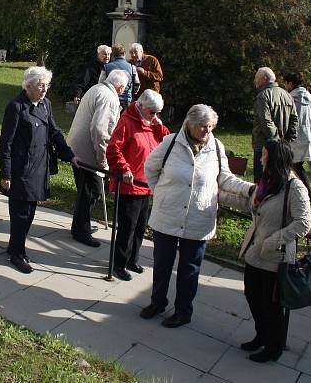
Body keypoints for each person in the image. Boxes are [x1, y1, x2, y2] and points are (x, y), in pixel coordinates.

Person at [141, 104, 253, 328]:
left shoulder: (216, 147)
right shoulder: (170, 143)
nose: (207, 132)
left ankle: (183, 311)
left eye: (211, 127)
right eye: (203, 127)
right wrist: (162, 193)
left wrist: (249, 189)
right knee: (162, 264)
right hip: (168, 215)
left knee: (190, 268)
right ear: (189, 124)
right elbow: (150, 169)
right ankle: (157, 302)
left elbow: (225, 179)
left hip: (198, 218)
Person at [236, 139, 311, 363]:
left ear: (275, 158)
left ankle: (273, 347)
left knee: (271, 304)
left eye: (265, 154)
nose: (261, 158)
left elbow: (304, 223)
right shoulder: (266, 181)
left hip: (274, 256)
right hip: (254, 251)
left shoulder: (294, 187)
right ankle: (262, 335)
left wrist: (274, 240)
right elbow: (254, 206)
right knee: (253, 296)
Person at [0, 66, 78, 274]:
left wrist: (69, 155)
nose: (45, 90)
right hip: (21, 169)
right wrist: (6, 174)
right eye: (41, 86)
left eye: (47, 85)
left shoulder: (45, 105)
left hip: (40, 167)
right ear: (29, 86)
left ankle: (15, 246)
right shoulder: (16, 107)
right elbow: (6, 144)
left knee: (30, 211)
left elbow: (55, 131)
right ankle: (17, 253)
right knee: (21, 214)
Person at [107, 89, 170, 281]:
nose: (155, 116)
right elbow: (113, 148)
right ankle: (119, 263)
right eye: (152, 112)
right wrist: (124, 169)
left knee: (141, 226)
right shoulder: (127, 122)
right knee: (127, 227)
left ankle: (132, 259)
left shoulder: (152, 122)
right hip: (130, 184)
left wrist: (158, 125)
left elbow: (167, 142)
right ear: (141, 106)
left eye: (157, 112)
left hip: (147, 183)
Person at [66, 69, 129, 247]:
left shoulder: (97, 88)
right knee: (90, 191)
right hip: (88, 153)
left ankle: (80, 225)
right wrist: (103, 163)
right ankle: (81, 230)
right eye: (124, 88)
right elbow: (100, 132)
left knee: (85, 191)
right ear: (121, 87)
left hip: (77, 148)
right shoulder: (109, 97)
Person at [253, 67, 298, 182]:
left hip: (265, 146)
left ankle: (260, 200)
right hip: (282, 145)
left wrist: (276, 141)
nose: (255, 81)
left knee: (261, 180)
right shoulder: (287, 95)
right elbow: (294, 121)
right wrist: (286, 141)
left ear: (264, 79)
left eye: (256, 78)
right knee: (277, 179)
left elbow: (266, 121)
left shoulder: (263, 96)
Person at [100, 44, 139, 110]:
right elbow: (137, 83)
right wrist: (133, 91)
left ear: (113, 55)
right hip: (126, 100)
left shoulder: (106, 67)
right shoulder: (132, 68)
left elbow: (100, 83)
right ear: (124, 54)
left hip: (110, 99)